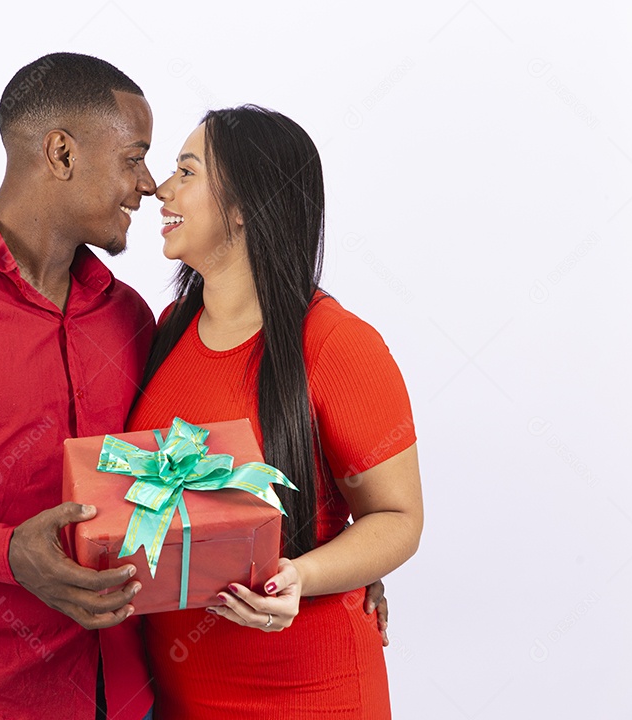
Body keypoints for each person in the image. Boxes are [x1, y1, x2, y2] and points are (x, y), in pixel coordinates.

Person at [0, 52, 390, 720]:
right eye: (135, 157)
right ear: (61, 154)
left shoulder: (132, 319)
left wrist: (337, 559)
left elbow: (186, 476)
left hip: (125, 690)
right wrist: (8, 552)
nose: (150, 186)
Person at [129, 106, 422, 718]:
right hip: (179, 691)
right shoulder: (165, 333)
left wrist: (304, 576)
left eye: (186, 172)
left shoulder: (338, 344)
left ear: (243, 205)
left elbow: (396, 518)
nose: (161, 188)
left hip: (310, 689)